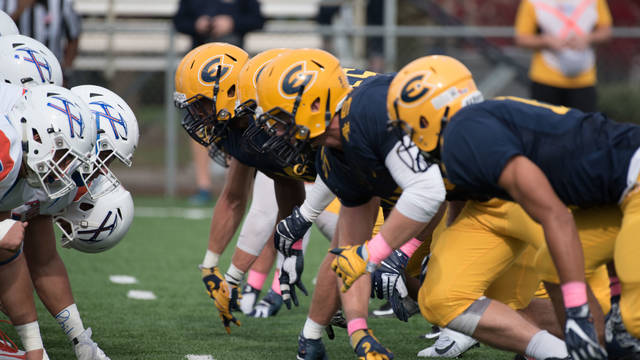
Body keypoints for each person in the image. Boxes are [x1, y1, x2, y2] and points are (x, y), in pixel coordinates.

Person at [387, 54, 640, 359]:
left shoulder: (467, 133)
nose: (409, 137)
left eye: (409, 125)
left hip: (632, 183)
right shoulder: (482, 124)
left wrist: (576, 312)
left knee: (633, 319)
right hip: (614, 195)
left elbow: (554, 214)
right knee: (551, 264)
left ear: (428, 115)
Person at [253, 49, 446, 359]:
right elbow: (350, 255)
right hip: (435, 202)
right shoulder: (335, 154)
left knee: (452, 301)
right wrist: (359, 332)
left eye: (282, 119)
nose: (276, 131)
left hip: (488, 191)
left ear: (315, 104)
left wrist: (396, 255)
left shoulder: (372, 112)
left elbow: (437, 192)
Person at [173, 0, 264, 204]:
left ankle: (237, 185)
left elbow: (258, 20)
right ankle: (203, 185)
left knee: (239, 124)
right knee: (198, 123)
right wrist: (197, 24)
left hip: (233, 73)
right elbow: (179, 21)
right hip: (199, 73)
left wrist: (233, 22)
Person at [515, 0, 612, 112]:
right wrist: (546, 41)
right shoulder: (532, 2)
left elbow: (606, 32)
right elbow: (521, 38)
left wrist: (588, 38)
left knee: (583, 128)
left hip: (584, 79)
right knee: (545, 128)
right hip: (545, 79)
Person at [1, 0, 82, 86]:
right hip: (13, 74)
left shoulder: (62, 3)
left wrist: (65, 72)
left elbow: (73, 36)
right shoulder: (6, 3)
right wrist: (19, 10)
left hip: (51, 76)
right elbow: (3, 30)